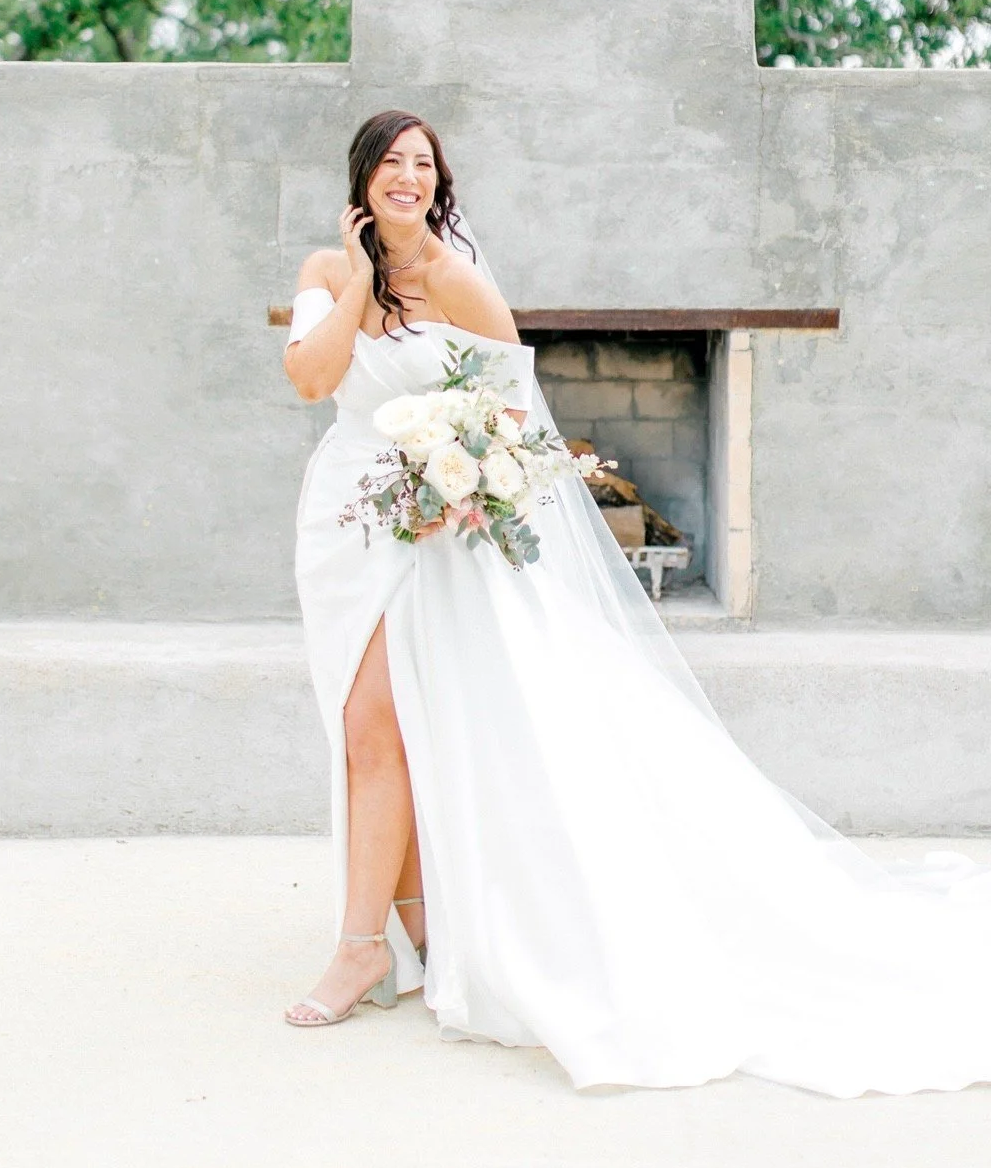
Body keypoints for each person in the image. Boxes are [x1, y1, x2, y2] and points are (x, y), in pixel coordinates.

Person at [280, 108, 991, 1096]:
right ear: (361, 180)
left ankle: (366, 945)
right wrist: (359, 272)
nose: (407, 175)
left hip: (435, 531)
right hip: (348, 520)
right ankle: (415, 927)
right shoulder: (328, 270)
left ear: (438, 183)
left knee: (386, 728)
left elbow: (518, 412)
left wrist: (459, 486)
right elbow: (313, 378)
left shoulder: (456, 278)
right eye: (390, 163)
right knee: (371, 731)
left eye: (423, 164)